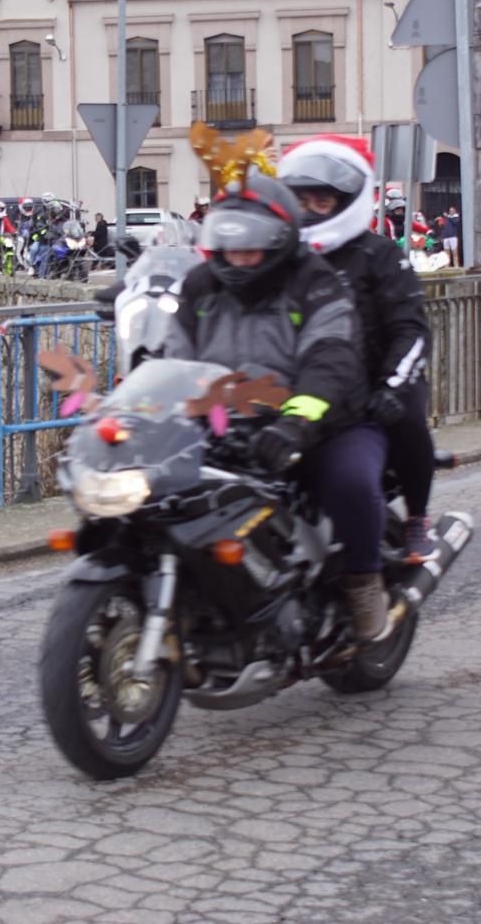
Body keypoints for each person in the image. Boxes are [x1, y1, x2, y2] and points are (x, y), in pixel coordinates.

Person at [161, 169, 391, 640]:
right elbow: (173, 357)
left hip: (327, 424)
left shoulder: (315, 283)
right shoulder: (200, 288)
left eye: (253, 246)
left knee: (349, 482)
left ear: (281, 239)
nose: (241, 258)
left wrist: (295, 422)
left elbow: (330, 357)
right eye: (230, 245)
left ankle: (364, 580)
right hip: (228, 425)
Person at [278, 134, 439, 564]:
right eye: (301, 200)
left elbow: (411, 328)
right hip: (303, 382)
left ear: (343, 201)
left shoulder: (380, 254)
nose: (309, 209)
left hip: (375, 380)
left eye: (321, 201)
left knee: (406, 416)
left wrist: (391, 385)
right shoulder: (279, 256)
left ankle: (417, 518)